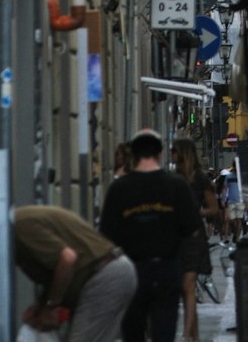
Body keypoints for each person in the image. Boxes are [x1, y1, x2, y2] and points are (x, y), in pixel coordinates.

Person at [100, 128, 203, 342]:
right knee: (164, 332)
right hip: (166, 269)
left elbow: (107, 235)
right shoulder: (176, 185)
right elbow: (192, 227)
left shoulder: (119, 188)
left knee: (133, 332)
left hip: (130, 271)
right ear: (159, 154)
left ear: (134, 155)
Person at [13, 203, 137, 342]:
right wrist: (42, 307)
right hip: (106, 273)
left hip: (103, 277)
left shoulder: (20, 226)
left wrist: (51, 306)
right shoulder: (26, 218)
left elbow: (67, 259)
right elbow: (56, 268)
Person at [172, 136, 217, 342]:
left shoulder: (200, 178)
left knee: (188, 285)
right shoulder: (173, 178)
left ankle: (185, 335)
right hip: (176, 236)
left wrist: (196, 212)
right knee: (185, 289)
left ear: (182, 154)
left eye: (174, 151)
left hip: (194, 236)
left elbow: (214, 208)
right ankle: (195, 337)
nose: (171, 155)